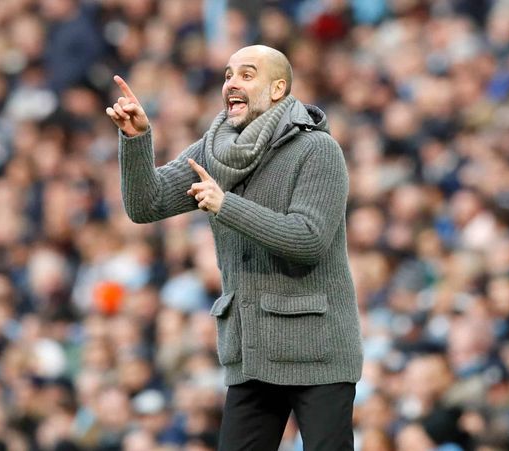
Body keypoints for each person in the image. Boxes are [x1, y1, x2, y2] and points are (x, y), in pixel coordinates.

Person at [106, 45, 363, 450]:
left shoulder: (317, 149)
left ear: (278, 88)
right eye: (228, 75)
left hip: (318, 352)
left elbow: (308, 240)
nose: (231, 84)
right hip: (253, 354)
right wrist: (137, 139)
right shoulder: (214, 150)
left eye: (247, 74)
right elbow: (146, 204)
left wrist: (227, 205)